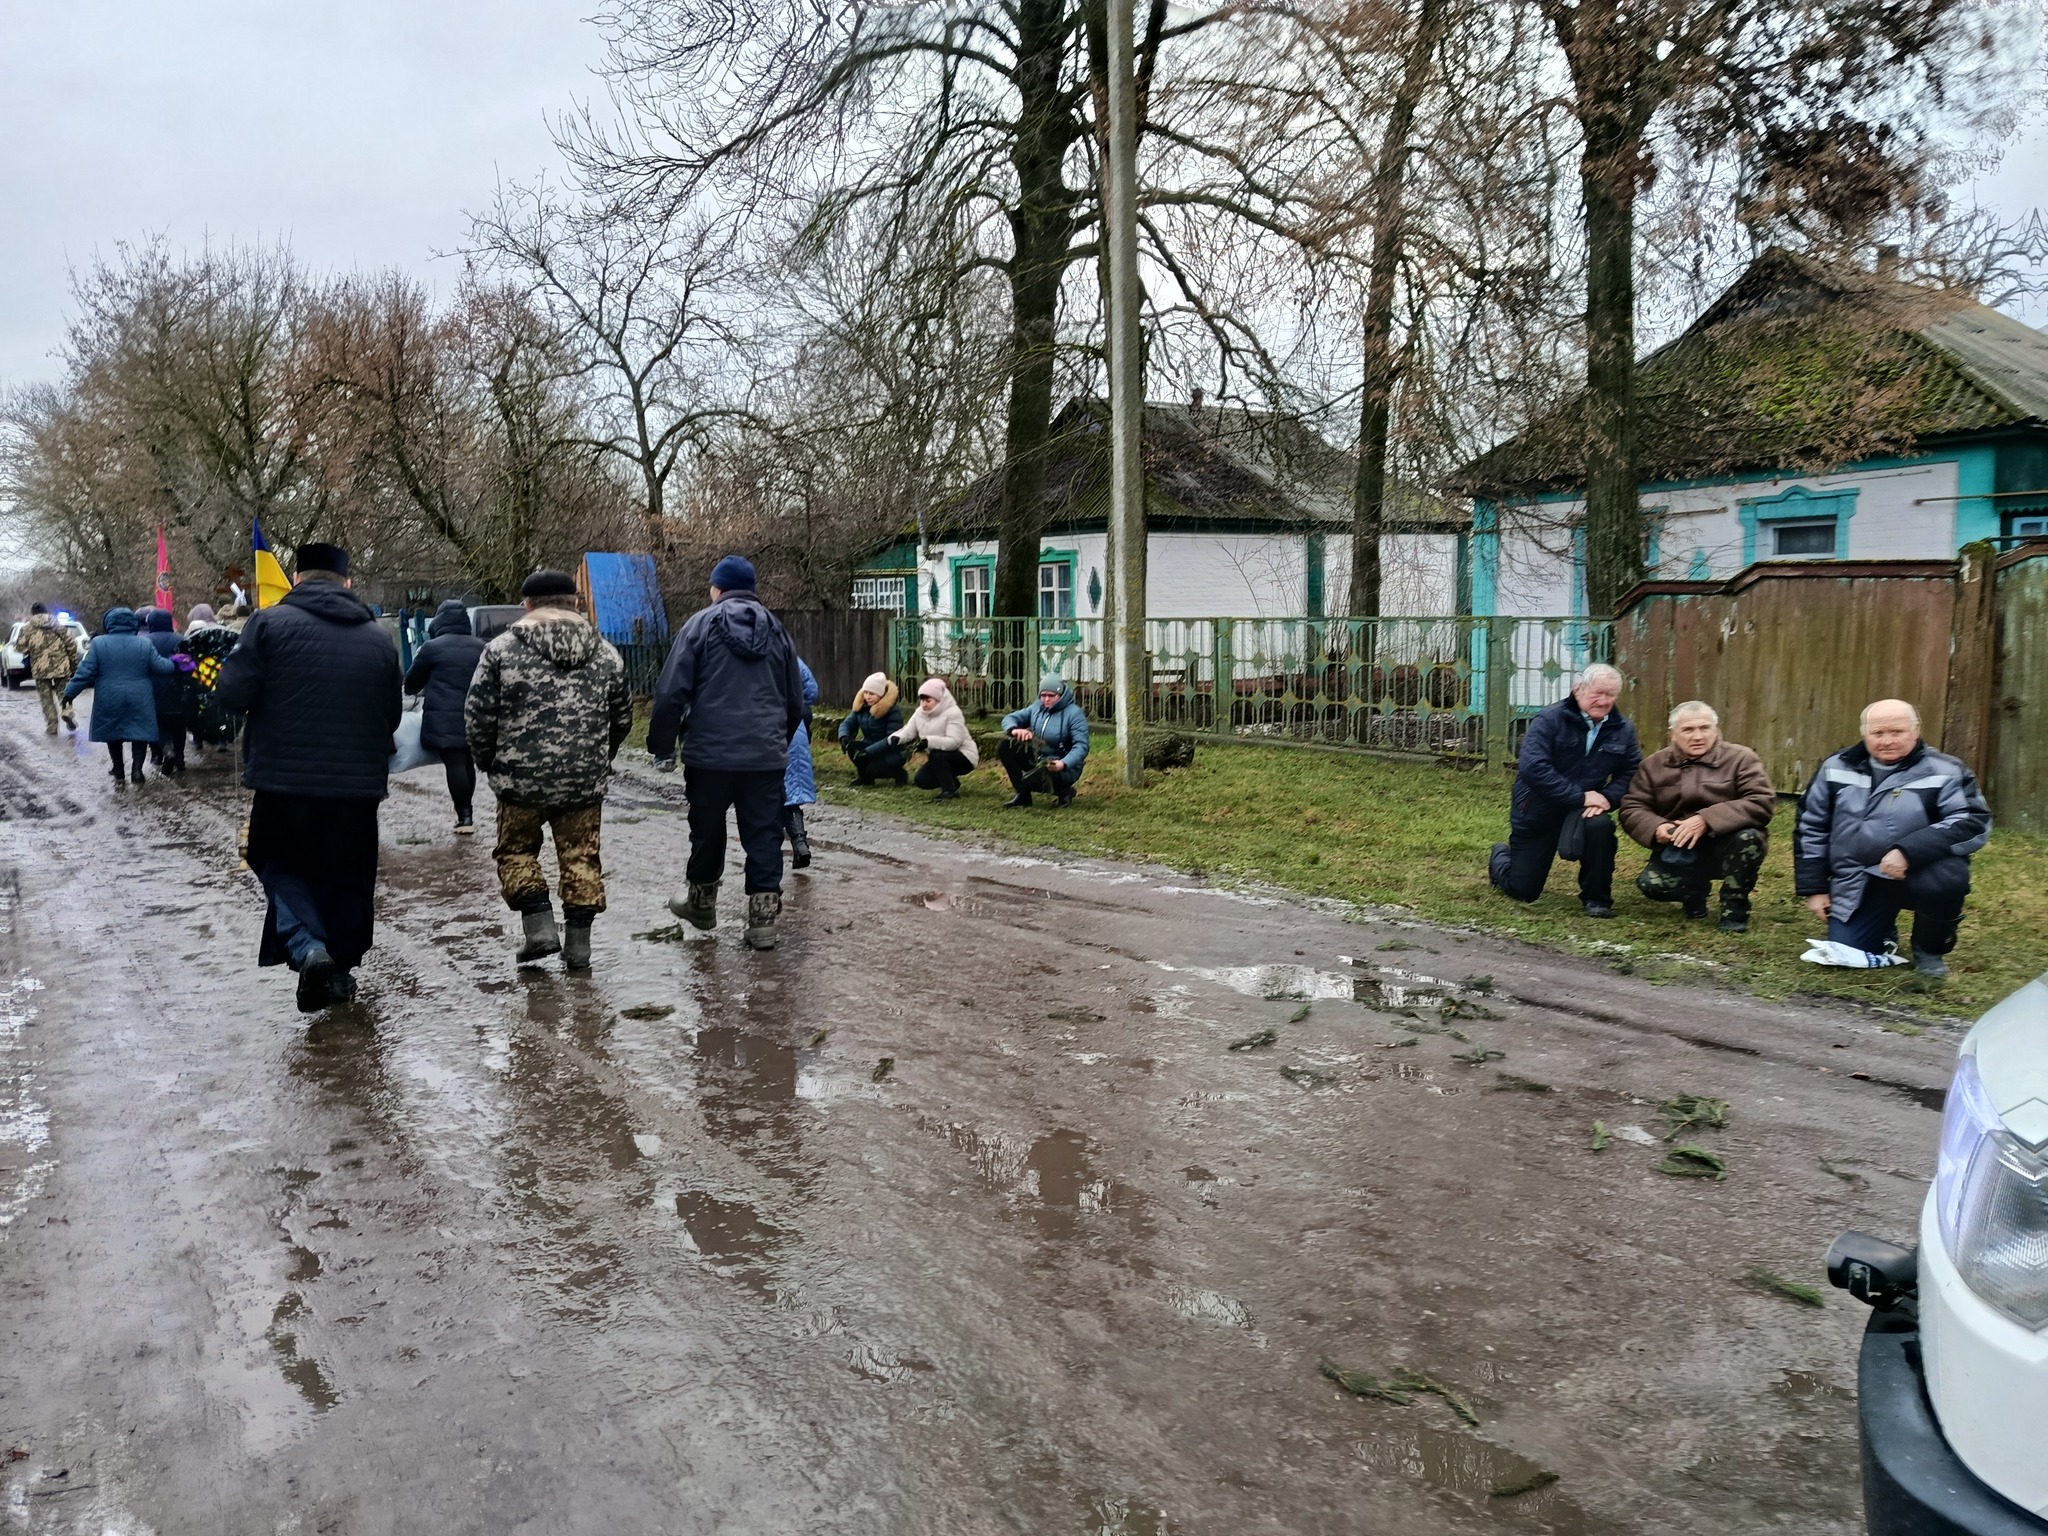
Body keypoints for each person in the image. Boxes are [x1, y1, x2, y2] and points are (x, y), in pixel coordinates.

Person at [214, 542, 403, 1013]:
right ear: (347, 582)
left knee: (277, 862)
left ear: (296, 579)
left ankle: (307, 947)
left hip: (284, 782)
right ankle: (336, 974)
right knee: (347, 876)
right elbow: (393, 714)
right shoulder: (379, 637)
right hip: (357, 786)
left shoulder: (267, 624)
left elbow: (232, 694)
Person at [464, 571, 632, 970]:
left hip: (519, 780)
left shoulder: (500, 651)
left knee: (517, 851)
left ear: (526, 605)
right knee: (581, 857)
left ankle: (539, 926)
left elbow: (478, 716)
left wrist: (489, 762)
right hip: (583, 781)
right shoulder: (607, 653)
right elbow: (622, 717)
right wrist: (599, 757)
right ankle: (579, 947)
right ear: (575, 602)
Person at [647, 555, 806, 950]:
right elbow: (795, 702)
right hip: (764, 758)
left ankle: (701, 904)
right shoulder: (777, 631)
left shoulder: (699, 626)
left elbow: (670, 694)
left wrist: (662, 746)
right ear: (751, 589)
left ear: (716, 589)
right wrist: (776, 742)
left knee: (707, 829)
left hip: (709, 756)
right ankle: (763, 921)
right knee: (764, 833)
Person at [1795, 698, 1990, 978]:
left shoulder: (1946, 770)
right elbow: (1810, 826)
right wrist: (1814, 888)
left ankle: (1930, 948)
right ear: (1865, 733)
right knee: (1848, 951)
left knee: (1948, 879)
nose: (1887, 740)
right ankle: (1883, 928)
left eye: (1897, 732)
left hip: (1920, 871)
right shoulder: (1835, 767)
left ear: (1916, 730)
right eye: (1878, 733)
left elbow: (1972, 822)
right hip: (1858, 877)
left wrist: (1908, 852)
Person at [1488, 662, 1642, 917]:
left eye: (1611, 695)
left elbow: (1631, 770)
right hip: (1538, 809)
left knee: (1601, 827)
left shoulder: (1622, 728)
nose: (1604, 701)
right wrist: (1579, 797)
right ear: (1578, 689)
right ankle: (1500, 856)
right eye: (1598, 693)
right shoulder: (1550, 719)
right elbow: (1533, 768)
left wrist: (1607, 798)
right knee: (1524, 890)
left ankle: (1597, 899)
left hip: (1585, 810)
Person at [1617, 701, 1775, 933]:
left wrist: (1705, 820)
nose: (1698, 736)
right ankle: (1694, 892)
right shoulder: (1653, 765)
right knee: (1652, 885)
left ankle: (1734, 906)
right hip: (1679, 848)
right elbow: (1632, 806)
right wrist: (1657, 827)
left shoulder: (1742, 758)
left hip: (1729, 843)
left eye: (1705, 728)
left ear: (1715, 729)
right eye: (1688, 730)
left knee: (1748, 838)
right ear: (1672, 734)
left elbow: (1761, 801)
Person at [61, 606, 174, 784]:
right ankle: (137, 771)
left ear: (109, 623)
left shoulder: (99, 643)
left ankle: (119, 769)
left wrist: (69, 693)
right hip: (140, 696)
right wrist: (176, 662)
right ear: (133, 624)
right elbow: (162, 667)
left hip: (109, 696)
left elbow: (85, 672)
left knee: (113, 732)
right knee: (139, 733)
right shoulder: (144, 643)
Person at [404, 599, 489, 834]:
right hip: (476, 714)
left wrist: (416, 687)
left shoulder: (432, 648)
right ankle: (467, 814)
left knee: (455, 762)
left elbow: (411, 683)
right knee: (467, 761)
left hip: (443, 717)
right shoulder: (481, 647)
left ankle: (464, 817)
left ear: (439, 620)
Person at [997, 675, 1090, 808]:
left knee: (1029, 781)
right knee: (1005, 747)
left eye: (1051, 695)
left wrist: (1063, 763)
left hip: (1062, 765)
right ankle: (1023, 796)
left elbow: (1081, 746)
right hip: (1038, 757)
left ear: (1061, 695)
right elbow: (1010, 718)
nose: (1046, 699)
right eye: (1043, 695)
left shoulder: (1074, 714)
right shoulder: (1037, 707)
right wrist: (1015, 730)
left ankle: (1064, 791)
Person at [890, 678, 980, 799]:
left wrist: (929, 742)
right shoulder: (919, 713)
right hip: (939, 758)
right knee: (921, 780)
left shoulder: (953, 713)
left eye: (928, 700)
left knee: (937, 755)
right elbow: (909, 730)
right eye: (922, 700)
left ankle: (949, 792)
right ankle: (952, 783)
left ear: (939, 700)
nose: (924, 704)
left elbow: (955, 742)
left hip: (964, 757)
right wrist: (898, 738)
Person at [140, 607, 193, 776]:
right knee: (179, 725)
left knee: (158, 723)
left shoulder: (145, 641)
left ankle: (166, 750)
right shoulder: (181, 639)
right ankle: (180, 759)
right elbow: (189, 666)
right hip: (179, 689)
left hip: (153, 689)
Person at [838, 672, 908, 786]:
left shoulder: (892, 711)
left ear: (881, 694)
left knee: (873, 770)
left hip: (892, 751)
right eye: (865, 692)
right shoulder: (861, 707)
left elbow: (891, 739)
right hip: (870, 746)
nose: (867, 697)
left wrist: (868, 751)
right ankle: (865, 778)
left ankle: (900, 774)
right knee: (852, 746)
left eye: (872, 693)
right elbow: (847, 723)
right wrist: (843, 736)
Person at [21, 602, 80, 735]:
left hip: (40, 668)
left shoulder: (27, 628)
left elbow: (20, 647)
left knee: (46, 698)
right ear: (46, 611)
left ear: (32, 613)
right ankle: (68, 713)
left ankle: (52, 726)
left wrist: (32, 649)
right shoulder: (57, 625)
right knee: (63, 693)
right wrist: (73, 664)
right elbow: (71, 644)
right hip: (61, 666)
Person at [784, 657, 819, 868]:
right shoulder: (791, 657)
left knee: (763, 797)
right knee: (791, 797)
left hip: (763, 729)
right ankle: (800, 844)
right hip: (795, 728)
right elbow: (812, 690)